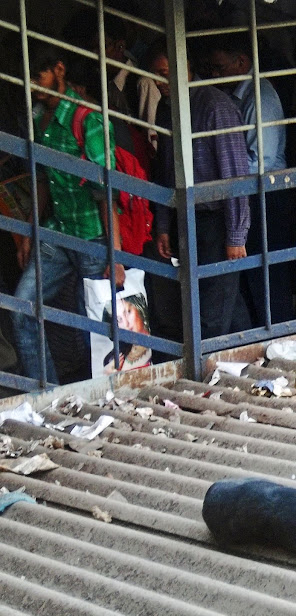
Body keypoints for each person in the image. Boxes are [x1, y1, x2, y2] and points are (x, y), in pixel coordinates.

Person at [11, 44, 124, 385]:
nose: (32, 86)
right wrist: (31, 233)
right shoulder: (37, 118)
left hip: (93, 236)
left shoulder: (88, 120)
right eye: (27, 79)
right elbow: (42, 179)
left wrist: (114, 255)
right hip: (56, 233)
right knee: (21, 308)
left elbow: (106, 192)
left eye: (38, 76)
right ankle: (45, 390)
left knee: (98, 326)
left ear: (59, 70)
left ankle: (106, 394)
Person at [150, 47, 251, 342]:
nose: (158, 81)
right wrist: (164, 224)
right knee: (221, 301)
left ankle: (206, 371)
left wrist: (236, 235)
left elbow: (235, 174)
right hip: (186, 215)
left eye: (163, 73)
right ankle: (249, 352)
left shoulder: (214, 105)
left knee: (212, 306)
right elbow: (165, 169)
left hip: (215, 218)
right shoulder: (167, 108)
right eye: (153, 75)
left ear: (185, 68)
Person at [209, 34, 294, 326]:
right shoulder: (237, 97)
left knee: (267, 274)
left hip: (265, 193)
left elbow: (263, 159)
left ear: (242, 62)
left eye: (220, 67)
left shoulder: (260, 97)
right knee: (253, 273)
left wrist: (222, 168)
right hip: (249, 190)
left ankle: (278, 333)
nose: (214, 75)